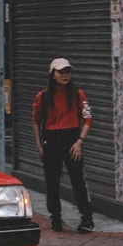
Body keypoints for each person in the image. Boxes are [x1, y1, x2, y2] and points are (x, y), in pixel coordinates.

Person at [32, 57, 94, 234]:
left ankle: (87, 218)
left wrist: (79, 141)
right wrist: (39, 144)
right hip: (51, 138)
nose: (65, 75)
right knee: (52, 182)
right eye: (61, 72)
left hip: (72, 138)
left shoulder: (78, 94)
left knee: (78, 180)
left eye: (67, 72)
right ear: (53, 75)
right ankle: (56, 218)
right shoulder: (43, 96)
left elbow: (88, 119)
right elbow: (36, 121)